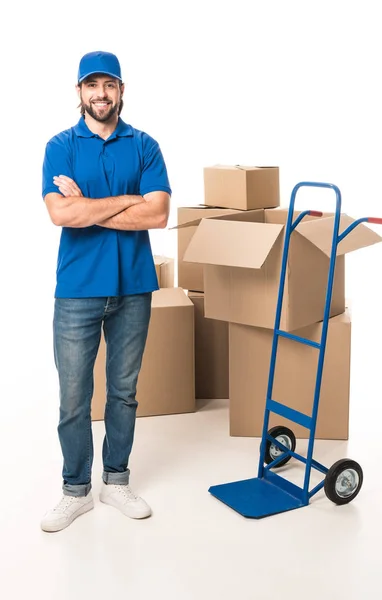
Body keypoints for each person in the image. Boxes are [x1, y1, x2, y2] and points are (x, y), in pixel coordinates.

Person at [40, 51, 171, 533]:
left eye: (109, 84)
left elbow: (157, 214)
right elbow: (60, 215)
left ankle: (116, 480)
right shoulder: (60, 146)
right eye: (91, 85)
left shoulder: (144, 145)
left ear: (121, 90)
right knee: (74, 397)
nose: (101, 93)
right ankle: (75, 490)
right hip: (77, 289)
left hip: (135, 286)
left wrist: (88, 205)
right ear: (78, 92)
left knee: (124, 391)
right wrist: (126, 201)